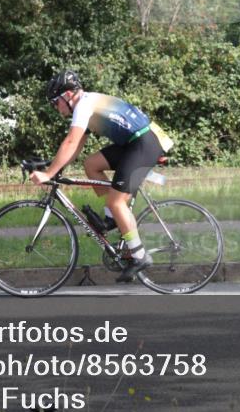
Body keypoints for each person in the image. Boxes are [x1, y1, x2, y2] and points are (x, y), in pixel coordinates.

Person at [30, 69, 173, 282]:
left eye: (54, 102)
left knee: (117, 202)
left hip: (144, 143)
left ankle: (139, 255)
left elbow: (70, 142)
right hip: (135, 142)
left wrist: (49, 173)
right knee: (92, 164)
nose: (55, 108)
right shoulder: (87, 103)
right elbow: (76, 146)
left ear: (67, 95)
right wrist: (55, 168)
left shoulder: (83, 105)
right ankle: (111, 217)